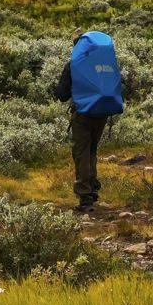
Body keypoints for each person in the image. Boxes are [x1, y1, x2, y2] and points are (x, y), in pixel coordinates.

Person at [55, 30, 127, 210]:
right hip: (102, 113)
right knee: (92, 150)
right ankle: (93, 187)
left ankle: (85, 197)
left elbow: (62, 95)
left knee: (81, 153)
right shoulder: (105, 62)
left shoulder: (73, 64)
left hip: (82, 114)